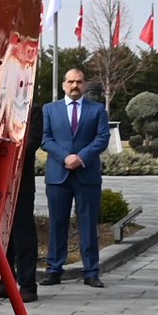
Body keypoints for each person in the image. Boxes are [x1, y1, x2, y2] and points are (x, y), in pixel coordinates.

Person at [42, 66, 112, 288]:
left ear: (84, 84)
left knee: (88, 225)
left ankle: (91, 271)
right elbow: (45, 138)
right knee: (57, 224)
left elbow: (102, 138)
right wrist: (65, 157)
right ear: (64, 85)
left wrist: (80, 157)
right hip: (58, 175)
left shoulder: (97, 110)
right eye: (70, 82)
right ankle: (54, 269)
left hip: (86, 175)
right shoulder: (49, 109)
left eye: (79, 82)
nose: (74, 86)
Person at [0, 100, 42, 303]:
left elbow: (32, 142)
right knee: (0, 235)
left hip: (20, 182)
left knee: (23, 233)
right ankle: (5, 282)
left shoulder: (32, 110)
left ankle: (27, 284)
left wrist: (4, 147)